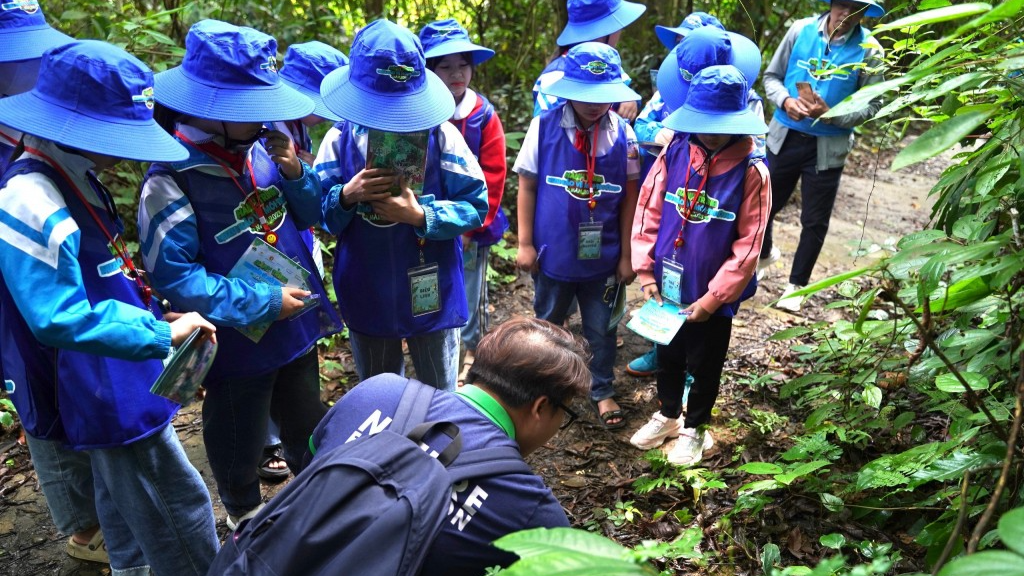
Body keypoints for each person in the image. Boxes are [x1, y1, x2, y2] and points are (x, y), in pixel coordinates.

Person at [0, 39, 220, 575]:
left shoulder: (72, 170)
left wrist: (152, 317)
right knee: (176, 505)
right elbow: (59, 315)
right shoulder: (30, 196)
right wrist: (159, 335)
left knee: (124, 513)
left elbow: (100, 277)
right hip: (104, 384)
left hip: (112, 370)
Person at [139, 19, 342, 529]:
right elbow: (175, 279)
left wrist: (296, 174)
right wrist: (263, 302)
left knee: (305, 418)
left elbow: (312, 218)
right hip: (236, 339)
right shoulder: (170, 178)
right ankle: (244, 516)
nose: (264, 120)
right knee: (238, 432)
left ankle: (320, 505)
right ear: (212, 109)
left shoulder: (262, 150)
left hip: (294, 324)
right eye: (251, 111)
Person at [306, 317, 590, 576]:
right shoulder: (532, 512)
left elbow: (312, 462)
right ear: (540, 407)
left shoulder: (377, 390)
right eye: (566, 411)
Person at [314, 19, 488, 391]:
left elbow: (476, 205)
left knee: (439, 391)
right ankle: (386, 448)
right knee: (379, 393)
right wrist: (347, 195)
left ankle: (438, 449)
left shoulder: (441, 135)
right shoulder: (340, 138)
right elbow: (320, 214)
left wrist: (422, 215)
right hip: (367, 285)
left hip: (432, 285)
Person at [0, 1, 109, 564]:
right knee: (38, 391)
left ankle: (105, 509)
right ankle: (84, 527)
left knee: (79, 375)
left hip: (67, 266)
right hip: (13, 296)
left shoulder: (37, 117)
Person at [629, 65, 772, 466]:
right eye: (702, 122)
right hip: (667, 283)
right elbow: (647, 209)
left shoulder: (752, 171)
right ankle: (669, 415)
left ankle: (695, 427)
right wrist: (644, 271)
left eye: (719, 124)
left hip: (713, 294)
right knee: (668, 355)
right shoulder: (674, 152)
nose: (709, 131)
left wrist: (713, 298)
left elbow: (749, 243)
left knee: (705, 363)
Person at [514, 43, 640, 430]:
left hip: (604, 256)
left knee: (601, 328)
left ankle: (601, 389)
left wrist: (627, 255)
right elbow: (528, 184)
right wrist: (524, 242)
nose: (594, 104)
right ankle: (545, 385)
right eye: (585, 94)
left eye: (603, 95)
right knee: (549, 322)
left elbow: (630, 197)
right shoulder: (546, 126)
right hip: (554, 253)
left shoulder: (625, 135)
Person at [628, 24, 763, 378]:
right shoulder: (673, 128)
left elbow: (755, 151)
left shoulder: (745, 101)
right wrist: (667, 136)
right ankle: (664, 357)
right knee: (669, 295)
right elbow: (641, 128)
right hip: (678, 204)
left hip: (720, 217)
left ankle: (693, 377)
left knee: (707, 325)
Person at [259, 39, 348, 483]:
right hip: (265, 255)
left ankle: (295, 435)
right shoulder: (265, 126)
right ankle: (267, 440)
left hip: (297, 241)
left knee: (296, 347)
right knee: (269, 353)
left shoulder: (298, 127)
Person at [759, 0, 886, 312]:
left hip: (828, 147)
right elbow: (771, 78)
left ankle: (796, 286)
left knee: (814, 219)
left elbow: (872, 106)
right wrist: (786, 100)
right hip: (784, 136)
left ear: (864, 13)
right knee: (763, 205)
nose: (846, 14)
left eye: (856, 8)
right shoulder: (800, 30)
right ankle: (763, 255)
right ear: (831, 5)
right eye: (842, 5)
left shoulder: (871, 51)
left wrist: (833, 115)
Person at [419, 19, 508, 386]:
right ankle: (437, 345)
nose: (457, 73)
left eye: (463, 64)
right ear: (428, 70)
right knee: (434, 282)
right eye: (445, 66)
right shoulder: (417, 112)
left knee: (470, 287)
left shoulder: (483, 115)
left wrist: (472, 228)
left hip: (472, 223)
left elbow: (494, 174)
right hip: (423, 220)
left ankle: (474, 350)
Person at [532, 0, 646, 119]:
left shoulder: (606, 65)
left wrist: (629, 101)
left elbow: (624, 92)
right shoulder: (556, 76)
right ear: (604, 32)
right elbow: (545, 129)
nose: (620, 32)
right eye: (618, 27)